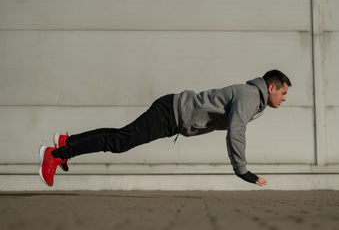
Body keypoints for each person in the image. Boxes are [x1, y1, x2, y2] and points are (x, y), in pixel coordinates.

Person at [39, 69, 291, 187]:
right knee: (119, 142)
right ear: (271, 88)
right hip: (170, 113)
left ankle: (66, 142)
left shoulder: (252, 98)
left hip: (172, 112)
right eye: (283, 92)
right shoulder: (249, 97)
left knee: (120, 136)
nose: (284, 98)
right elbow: (236, 132)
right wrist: (242, 171)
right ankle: (55, 154)